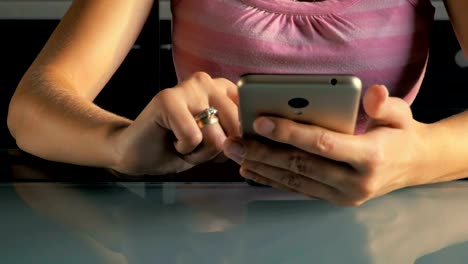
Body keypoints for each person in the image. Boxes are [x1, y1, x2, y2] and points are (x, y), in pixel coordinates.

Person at [7, 0, 468, 206]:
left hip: (382, 227)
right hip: (202, 237)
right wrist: (119, 144)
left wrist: (420, 158)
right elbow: (32, 104)